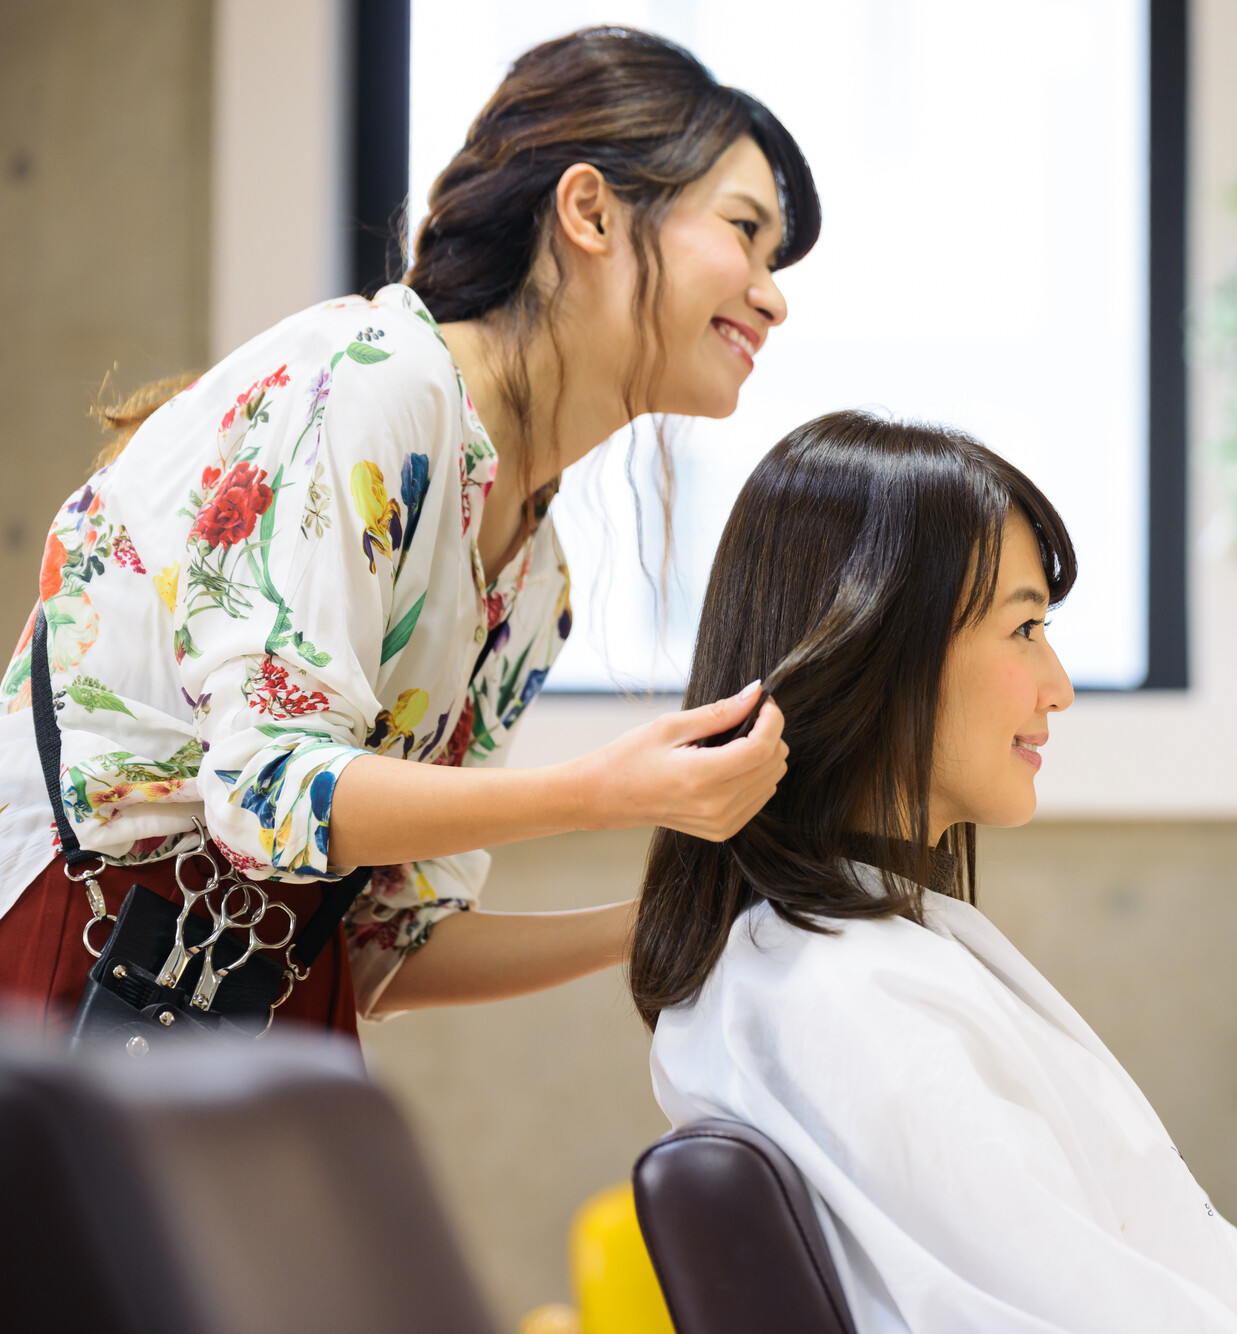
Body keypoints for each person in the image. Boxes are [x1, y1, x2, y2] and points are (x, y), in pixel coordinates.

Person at [0, 28, 808, 1036]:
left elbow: (382, 943)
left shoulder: (536, 574)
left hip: (263, 1005)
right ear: (590, 212)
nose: (772, 295)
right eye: (744, 231)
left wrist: (664, 922)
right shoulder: (376, 380)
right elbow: (265, 791)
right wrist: (602, 791)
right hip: (67, 964)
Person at [637, 410, 1237, 1334]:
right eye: (1024, 630)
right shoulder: (847, 998)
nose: (1058, 684)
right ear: (879, 646)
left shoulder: (844, 970)